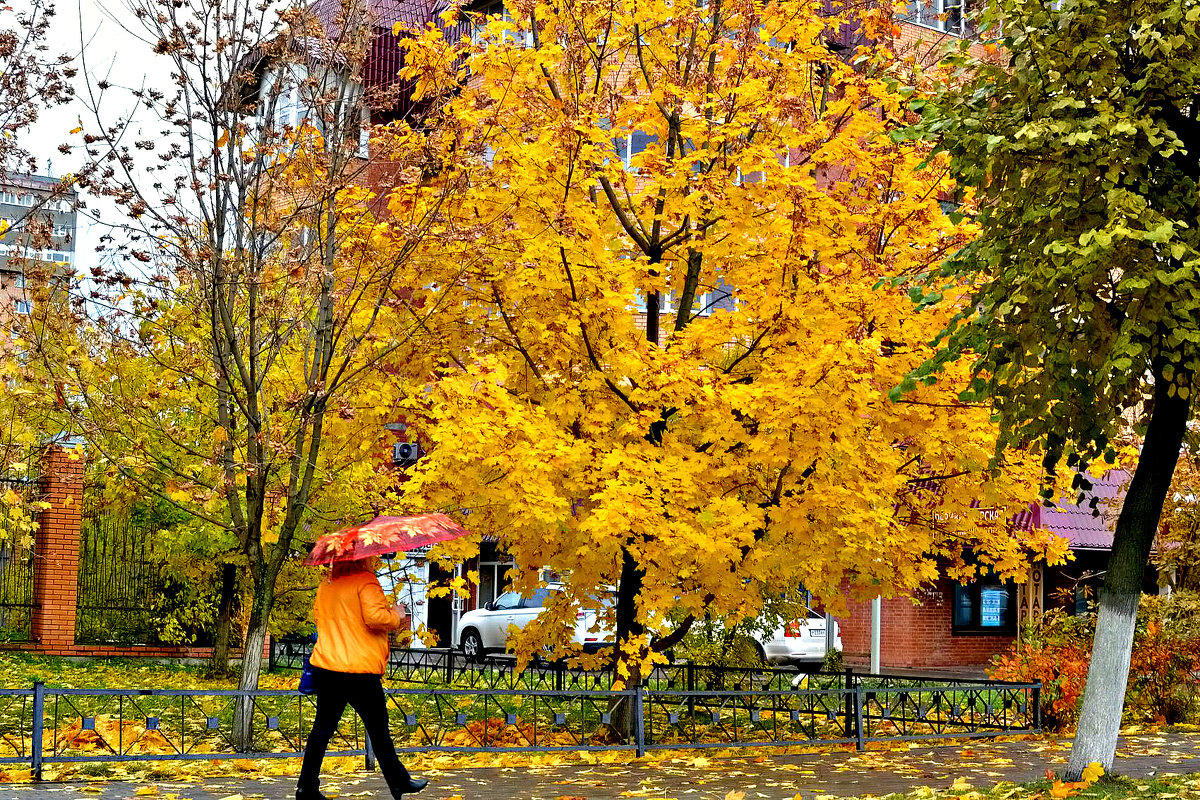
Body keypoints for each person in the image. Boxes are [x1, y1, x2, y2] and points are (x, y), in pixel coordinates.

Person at [297, 556, 428, 800]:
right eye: (372, 558)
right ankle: (399, 782)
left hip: (328, 666)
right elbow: (375, 617)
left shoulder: (327, 585)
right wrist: (396, 614)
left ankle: (306, 789)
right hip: (359, 671)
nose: (375, 561)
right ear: (363, 559)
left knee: (322, 729)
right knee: (378, 728)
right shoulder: (365, 581)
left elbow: (322, 620)